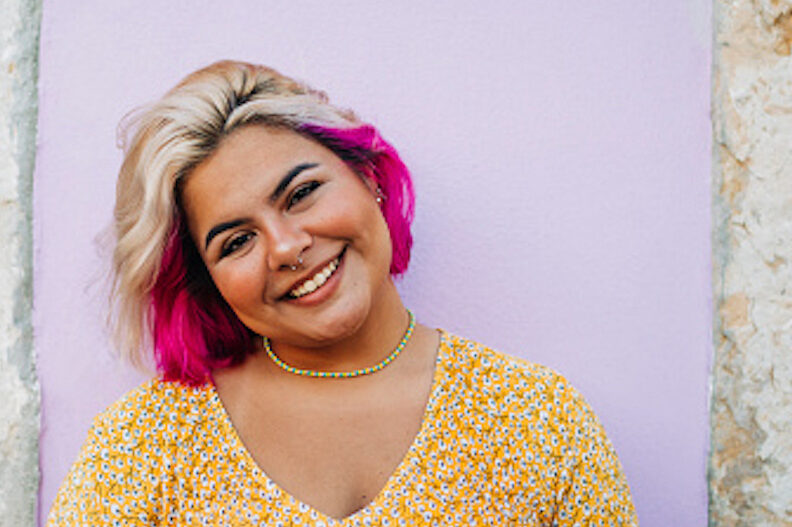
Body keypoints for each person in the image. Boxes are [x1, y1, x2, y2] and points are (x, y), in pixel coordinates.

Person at [48, 61, 638, 526]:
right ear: (209, 283)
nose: (285, 247)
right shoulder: (144, 446)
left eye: (301, 193)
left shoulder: (537, 419)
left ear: (368, 176)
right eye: (237, 242)